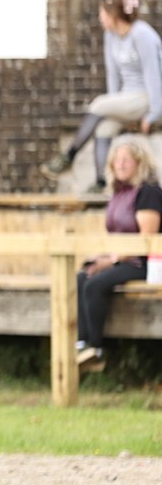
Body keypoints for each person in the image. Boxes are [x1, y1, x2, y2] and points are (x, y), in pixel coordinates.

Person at [43, 0, 162, 188]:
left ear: (114, 15)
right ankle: (101, 182)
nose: (100, 18)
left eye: (103, 13)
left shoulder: (142, 34)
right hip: (126, 99)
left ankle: (68, 156)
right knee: (103, 129)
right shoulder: (111, 36)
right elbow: (113, 76)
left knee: (98, 104)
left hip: (146, 98)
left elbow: (155, 75)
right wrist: (114, 107)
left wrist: (153, 115)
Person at [76, 137, 162, 372]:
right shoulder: (118, 193)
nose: (121, 164)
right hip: (121, 258)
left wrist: (110, 261)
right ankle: (82, 344)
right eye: (117, 160)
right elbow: (114, 236)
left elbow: (146, 239)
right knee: (81, 276)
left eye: (127, 160)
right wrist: (98, 257)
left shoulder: (149, 193)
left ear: (139, 163)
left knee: (95, 284)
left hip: (145, 262)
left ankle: (97, 348)